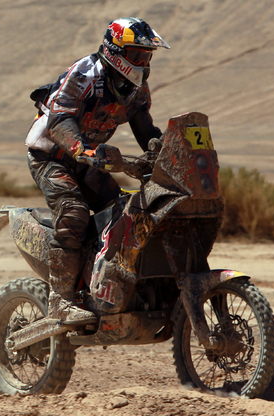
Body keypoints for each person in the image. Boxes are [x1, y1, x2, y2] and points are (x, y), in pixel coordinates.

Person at [26, 17, 170, 324]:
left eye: (147, 56)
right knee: (74, 212)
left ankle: (105, 283)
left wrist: (164, 152)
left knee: (125, 211)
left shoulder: (136, 88)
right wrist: (84, 149)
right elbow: (59, 120)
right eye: (137, 55)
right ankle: (60, 300)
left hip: (89, 161)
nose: (143, 62)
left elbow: (145, 127)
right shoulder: (85, 74)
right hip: (51, 157)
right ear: (115, 52)